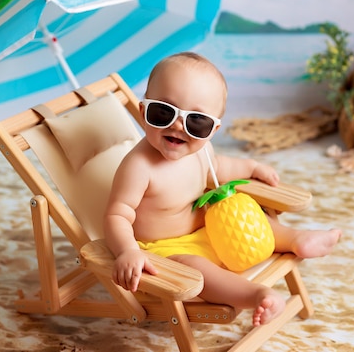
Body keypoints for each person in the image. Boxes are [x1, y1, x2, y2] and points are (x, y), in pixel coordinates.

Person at [104, 51, 341, 327]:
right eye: (163, 112)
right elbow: (117, 215)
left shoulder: (201, 152)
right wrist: (128, 252)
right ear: (144, 112)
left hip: (206, 230)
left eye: (197, 122)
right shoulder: (138, 166)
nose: (178, 125)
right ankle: (257, 295)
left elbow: (220, 167)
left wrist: (251, 167)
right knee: (197, 269)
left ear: (213, 130)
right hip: (164, 251)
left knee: (250, 216)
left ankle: (295, 239)